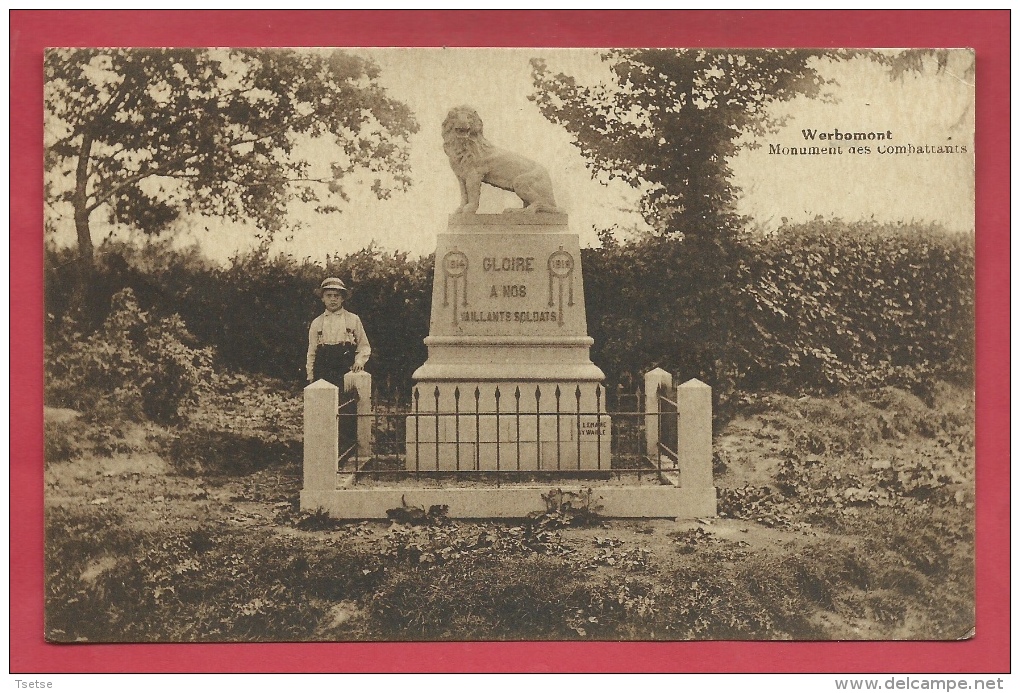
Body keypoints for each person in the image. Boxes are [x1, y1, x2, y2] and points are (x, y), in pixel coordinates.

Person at [306, 277, 371, 387]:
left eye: (337, 296)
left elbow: (364, 346)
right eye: (329, 295)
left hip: (346, 370)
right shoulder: (317, 323)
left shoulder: (353, 319)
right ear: (322, 298)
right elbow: (312, 352)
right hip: (323, 371)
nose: (333, 299)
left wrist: (359, 361)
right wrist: (310, 375)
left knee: (346, 401)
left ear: (343, 298)